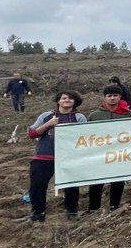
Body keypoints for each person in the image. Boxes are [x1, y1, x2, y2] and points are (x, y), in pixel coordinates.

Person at [27, 90, 87, 222]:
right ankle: (38, 213)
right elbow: (32, 134)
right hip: (44, 156)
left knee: (71, 186)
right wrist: (48, 124)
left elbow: (84, 138)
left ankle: (72, 211)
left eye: (70, 98)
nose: (67, 100)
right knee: (37, 186)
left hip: (68, 158)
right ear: (58, 101)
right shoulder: (46, 115)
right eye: (64, 98)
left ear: (75, 102)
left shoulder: (79, 118)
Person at [85, 86, 131, 212]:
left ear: (120, 97)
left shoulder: (128, 114)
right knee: (96, 180)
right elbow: (86, 135)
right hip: (99, 154)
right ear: (105, 98)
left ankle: (114, 206)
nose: (112, 98)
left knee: (118, 180)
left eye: (115, 95)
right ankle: (93, 208)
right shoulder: (94, 115)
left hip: (120, 153)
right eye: (109, 96)